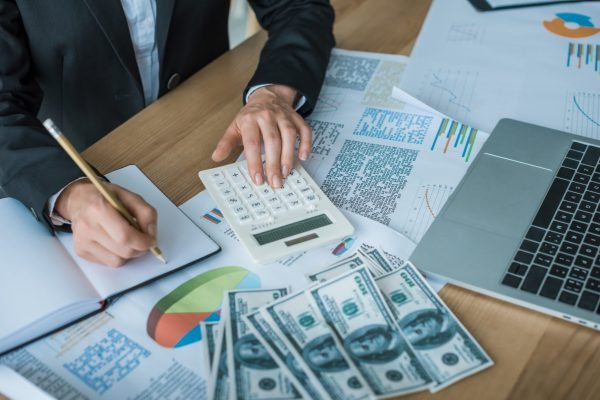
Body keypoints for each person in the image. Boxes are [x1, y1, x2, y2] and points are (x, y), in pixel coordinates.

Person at [0, 1, 335, 267]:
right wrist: (69, 194)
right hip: (79, 153)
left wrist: (273, 92)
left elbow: (299, 6)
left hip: (206, 134)